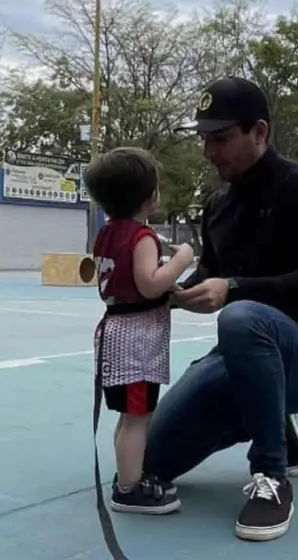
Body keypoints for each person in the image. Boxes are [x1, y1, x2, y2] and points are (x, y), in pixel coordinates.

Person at [140, 77, 298, 543]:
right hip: (244, 353)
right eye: (204, 140)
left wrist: (232, 289)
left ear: (259, 132)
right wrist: (164, 288)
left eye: (221, 139)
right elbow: (209, 276)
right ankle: (276, 422)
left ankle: (272, 477)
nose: (210, 152)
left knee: (241, 316)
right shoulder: (216, 206)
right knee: (150, 461)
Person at [83, 147, 196, 515]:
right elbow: (148, 284)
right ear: (151, 197)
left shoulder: (106, 234)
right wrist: (181, 260)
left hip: (115, 331)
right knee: (137, 416)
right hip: (136, 340)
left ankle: (127, 475)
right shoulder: (141, 236)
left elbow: (131, 280)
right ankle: (130, 489)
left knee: (130, 416)